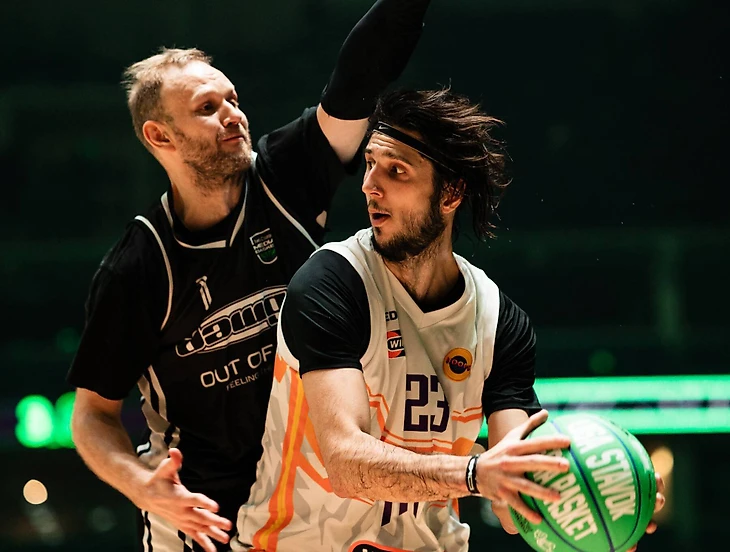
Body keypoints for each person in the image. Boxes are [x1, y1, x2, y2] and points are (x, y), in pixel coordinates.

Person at [66, 2, 435, 551]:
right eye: (207, 107)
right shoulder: (137, 268)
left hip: (311, 506)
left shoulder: (284, 176)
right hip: (203, 518)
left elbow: (356, 81)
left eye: (233, 100)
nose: (233, 115)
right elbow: (92, 416)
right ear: (161, 136)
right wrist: (143, 485)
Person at [232, 88, 666, 551]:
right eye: (370, 163)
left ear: (451, 193)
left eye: (396, 170)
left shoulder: (499, 322)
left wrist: (608, 499)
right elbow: (346, 465)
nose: (369, 185)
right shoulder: (332, 282)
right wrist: (475, 473)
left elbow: (513, 500)